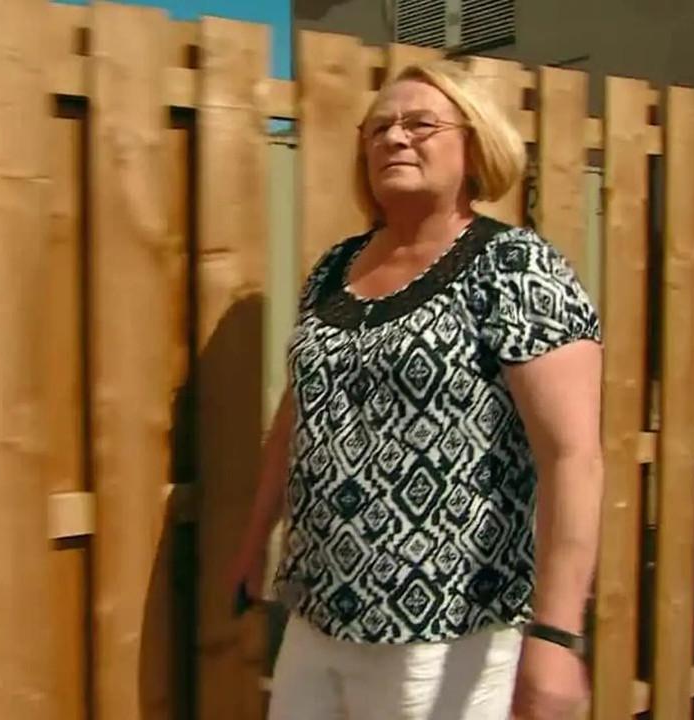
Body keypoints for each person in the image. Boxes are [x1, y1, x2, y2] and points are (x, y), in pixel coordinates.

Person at [229, 60, 603, 720]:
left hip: (445, 635)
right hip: (316, 615)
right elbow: (297, 416)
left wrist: (555, 634)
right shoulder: (335, 268)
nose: (394, 138)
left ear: (474, 145)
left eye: (420, 124)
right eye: (378, 128)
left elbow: (572, 456)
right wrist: (256, 536)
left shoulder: (515, 267)